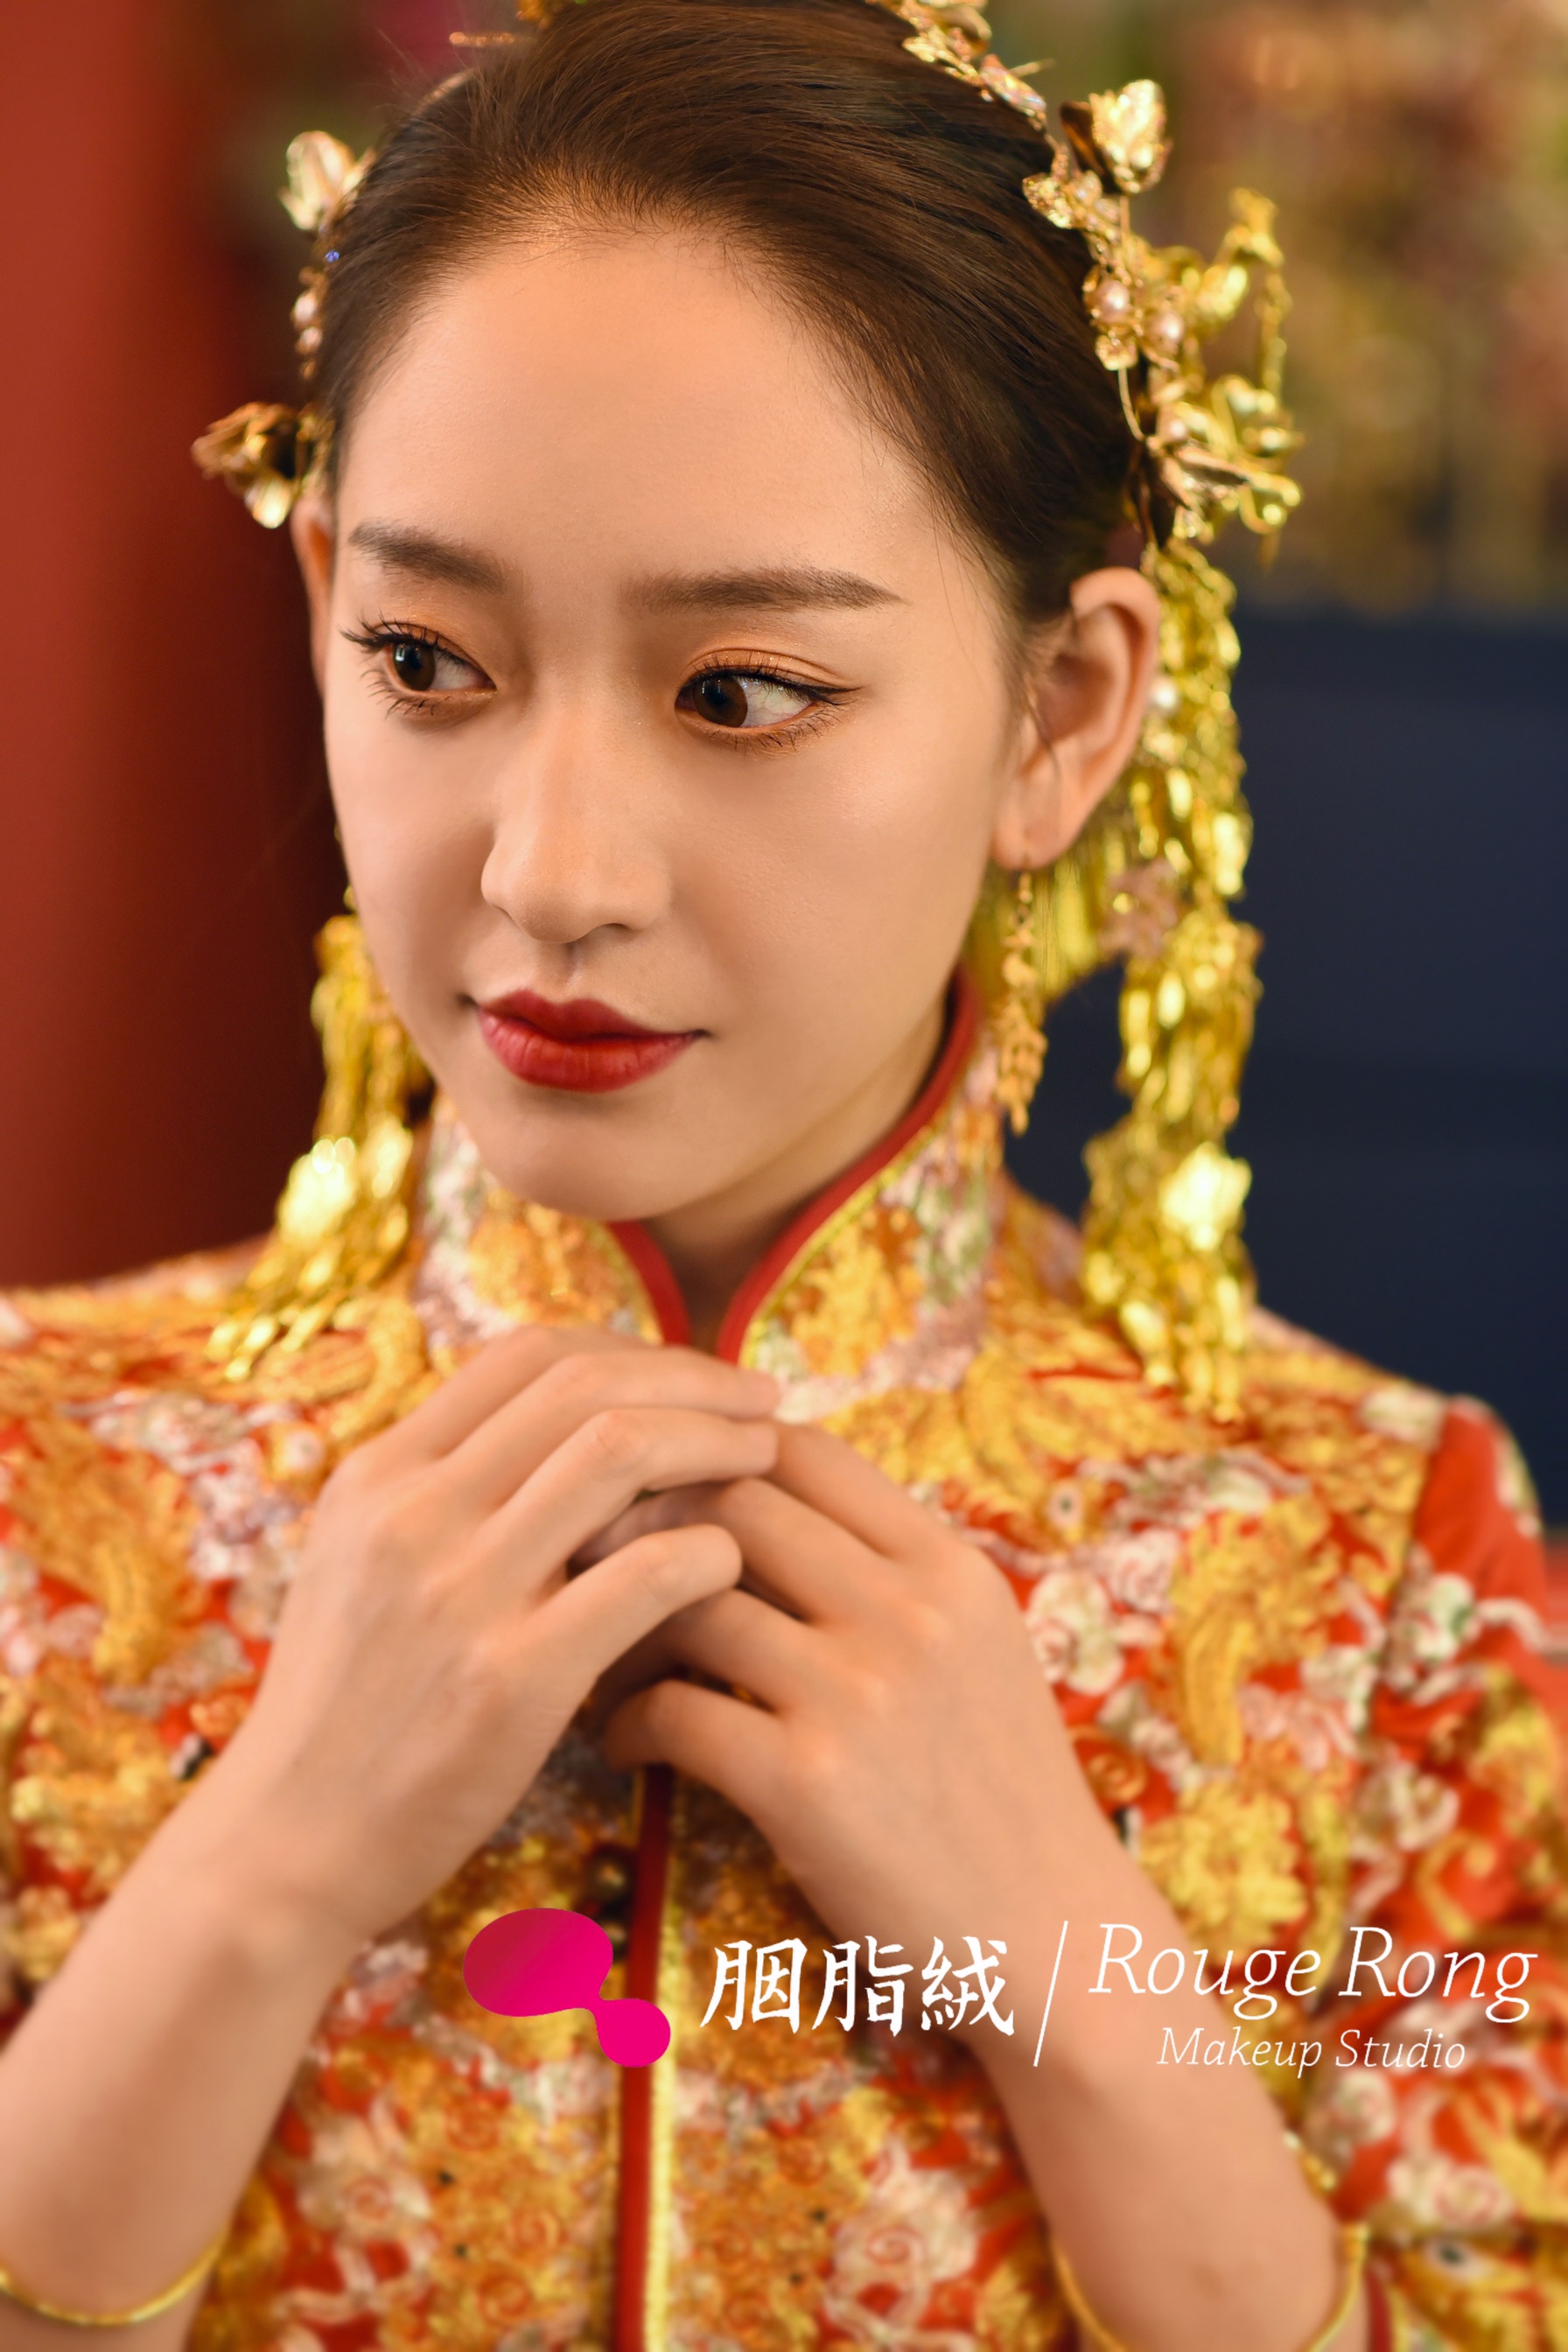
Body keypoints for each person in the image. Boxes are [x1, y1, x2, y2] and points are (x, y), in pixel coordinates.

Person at [0, 0, 1560, 2344]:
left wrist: (1069, 1960)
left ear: (1061, 714)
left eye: (739, 691)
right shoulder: (43, 1489)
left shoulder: (1378, 1566)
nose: (551, 872)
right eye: (425, 658)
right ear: (319, 599)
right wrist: (268, 1867)